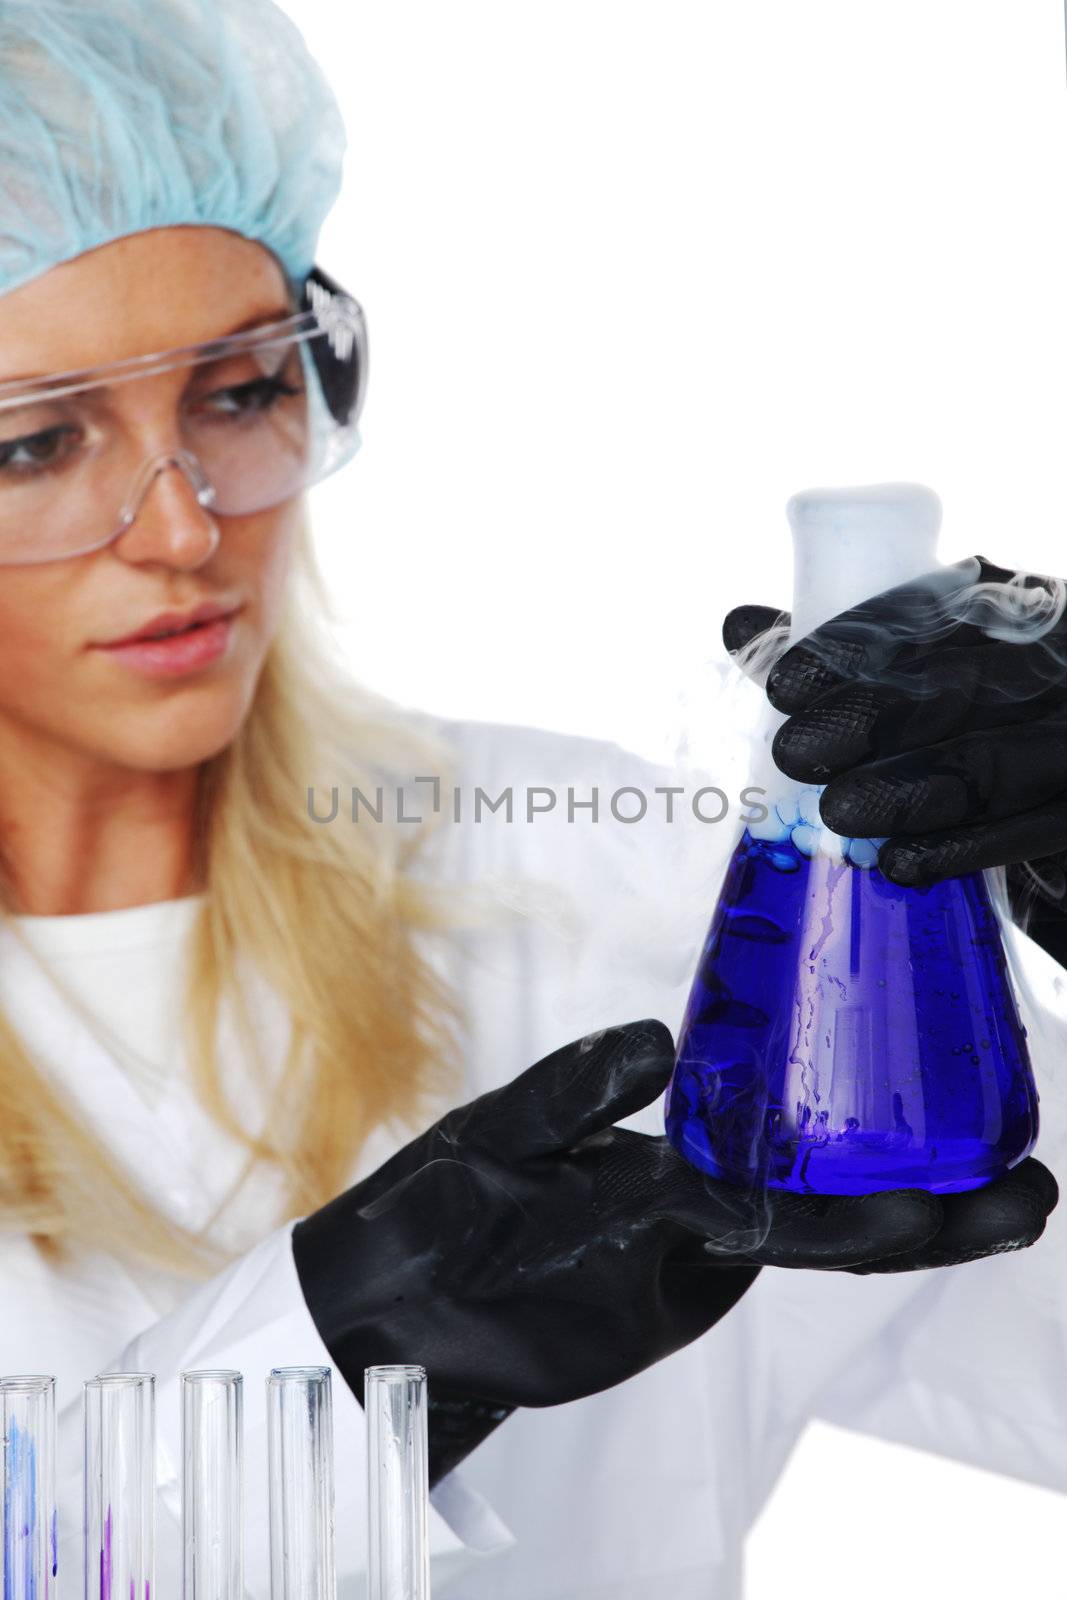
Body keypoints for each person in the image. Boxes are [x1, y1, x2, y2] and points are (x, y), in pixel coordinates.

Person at [0, 3, 1060, 1597]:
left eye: (237, 392)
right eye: (33, 441)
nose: (180, 527)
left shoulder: (594, 884)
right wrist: (315, 1370)